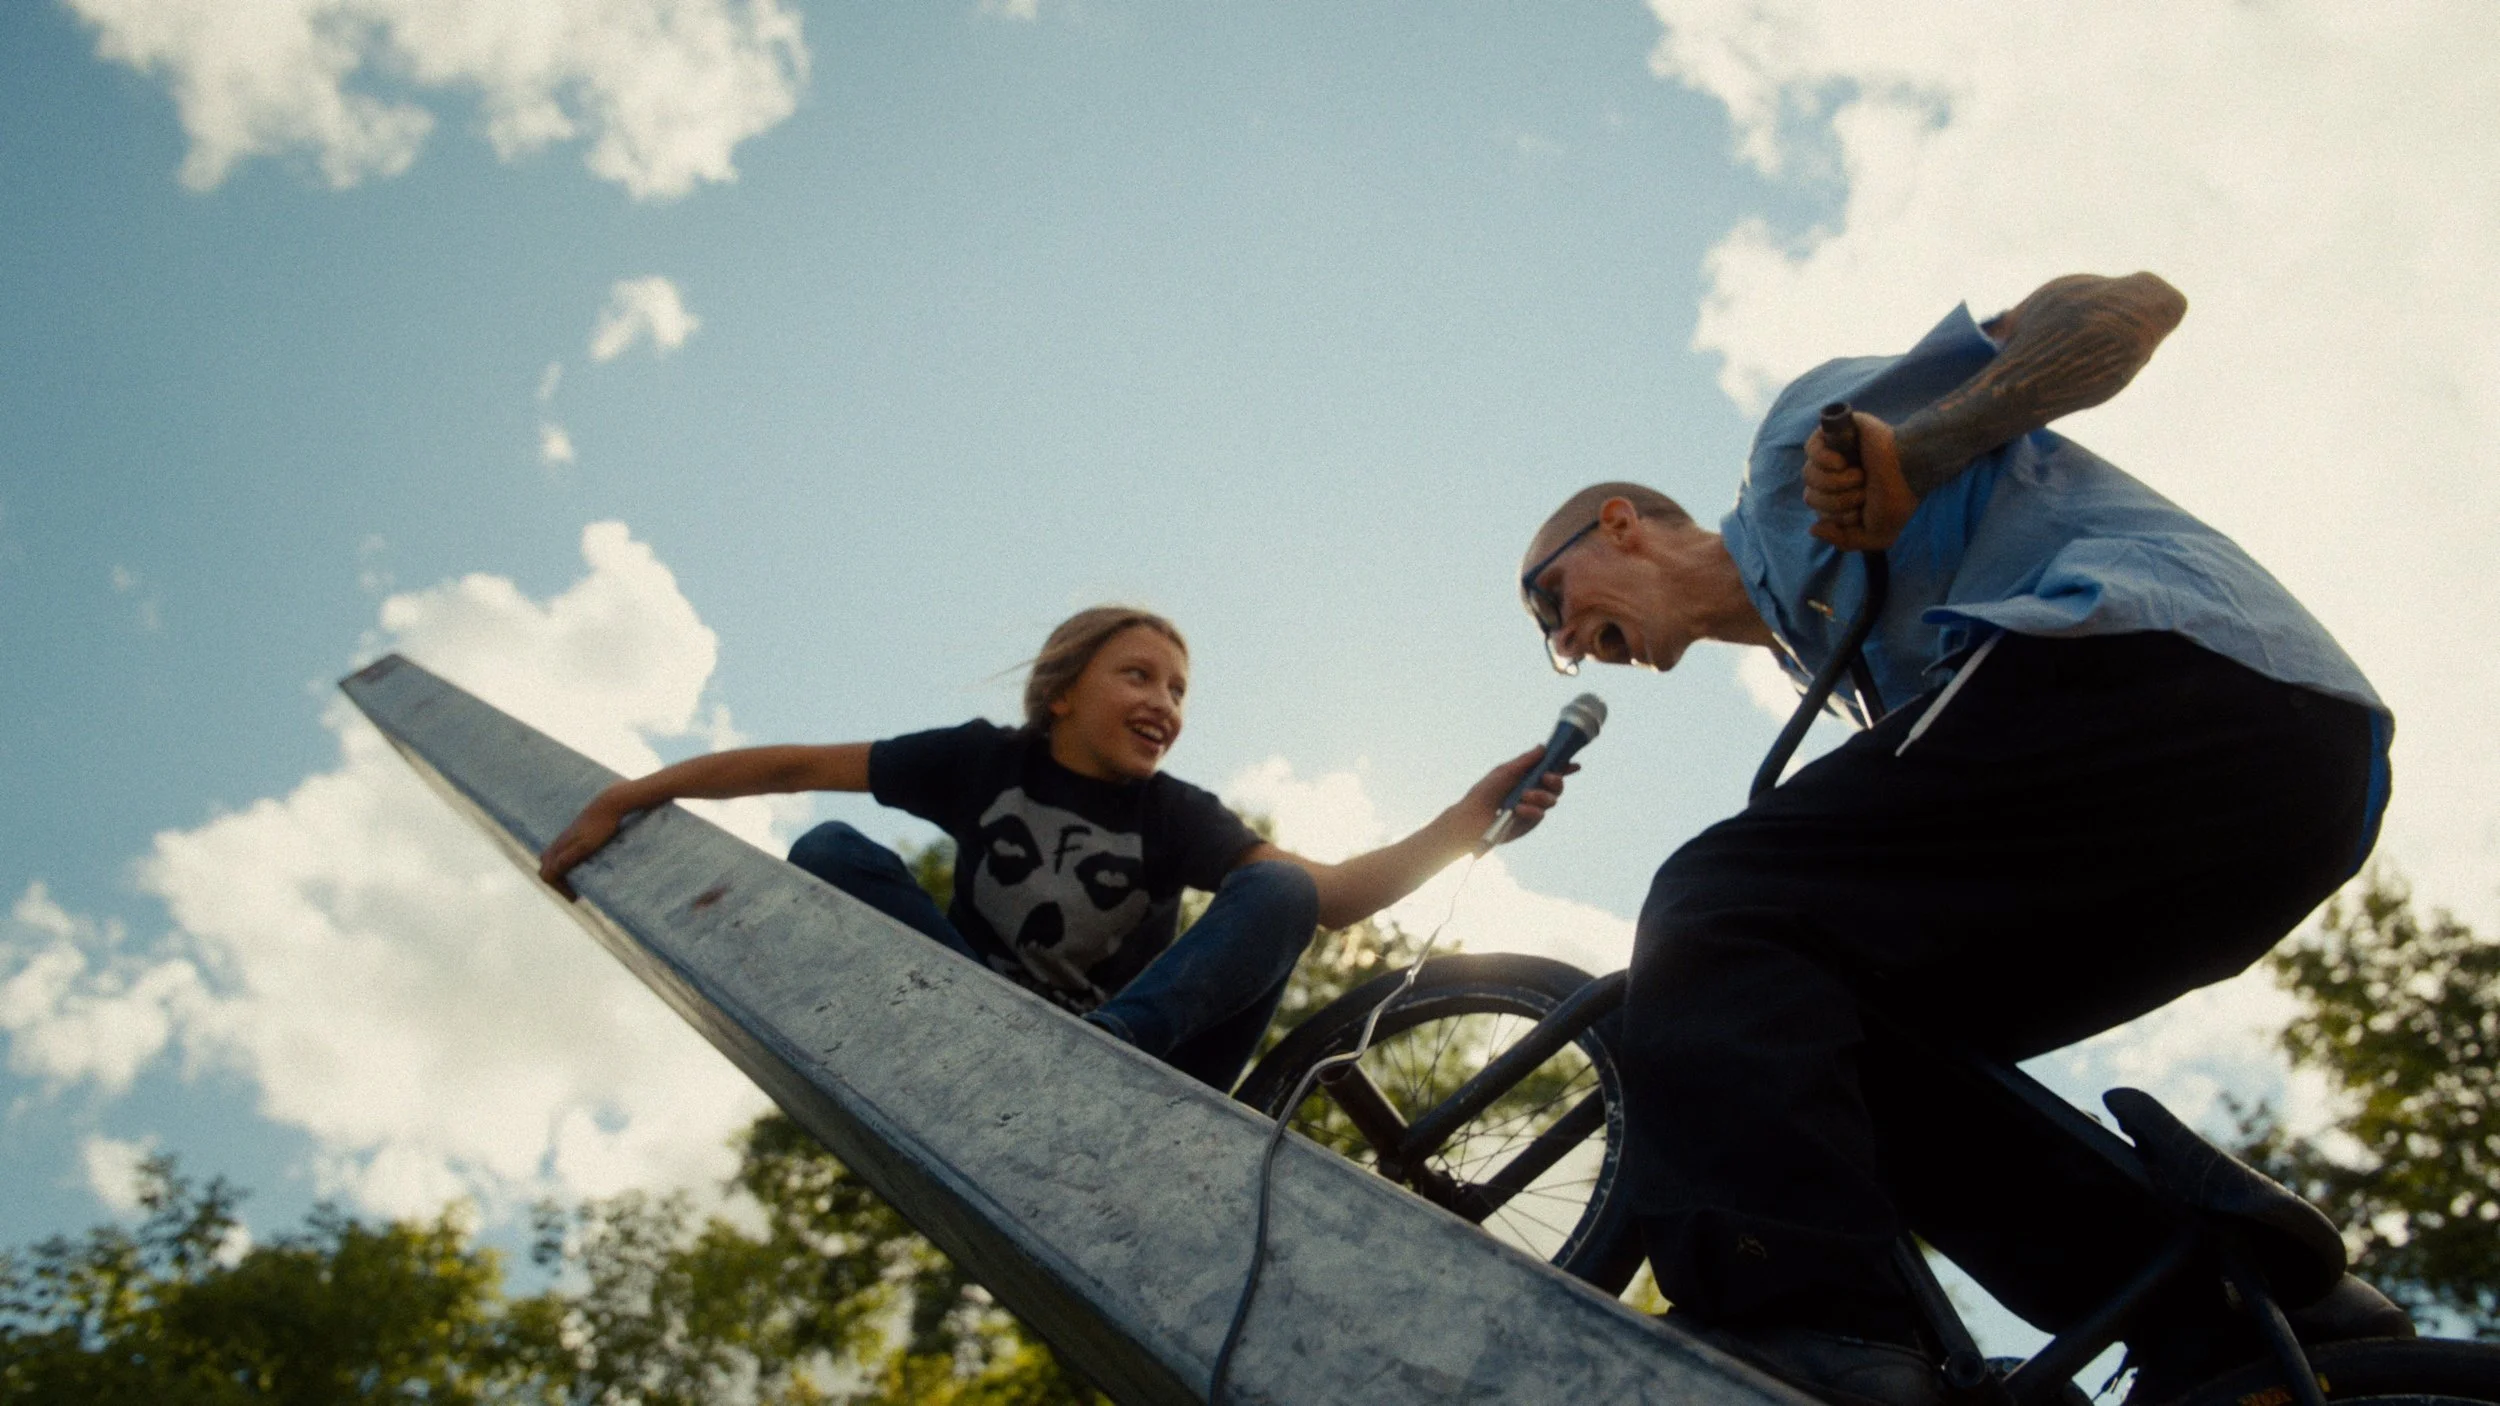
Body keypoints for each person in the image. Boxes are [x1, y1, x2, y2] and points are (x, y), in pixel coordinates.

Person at [1517, 273, 2390, 1406]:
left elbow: (2127, 307)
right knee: (1841, 1043)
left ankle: (1804, 1314)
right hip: (2284, 812)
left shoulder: (1788, 456)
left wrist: (1922, 449)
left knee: (1719, 905)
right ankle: (2218, 1304)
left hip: (2183, 668)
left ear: (1619, 524)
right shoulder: (1841, 665)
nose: (1567, 646)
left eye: (1551, 602)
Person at [538, 604, 1569, 1092]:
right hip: (976, 1019)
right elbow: (793, 766)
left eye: (1178, 690)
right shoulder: (982, 761)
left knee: (1281, 893)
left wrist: (1463, 823)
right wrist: (630, 794)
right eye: (1139, 676)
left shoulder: (1174, 813)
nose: (1164, 703)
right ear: (1062, 690)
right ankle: (988, 1031)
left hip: (1146, 1063)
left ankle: (1106, 1048)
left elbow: (1331, 898)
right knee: (833, 846)